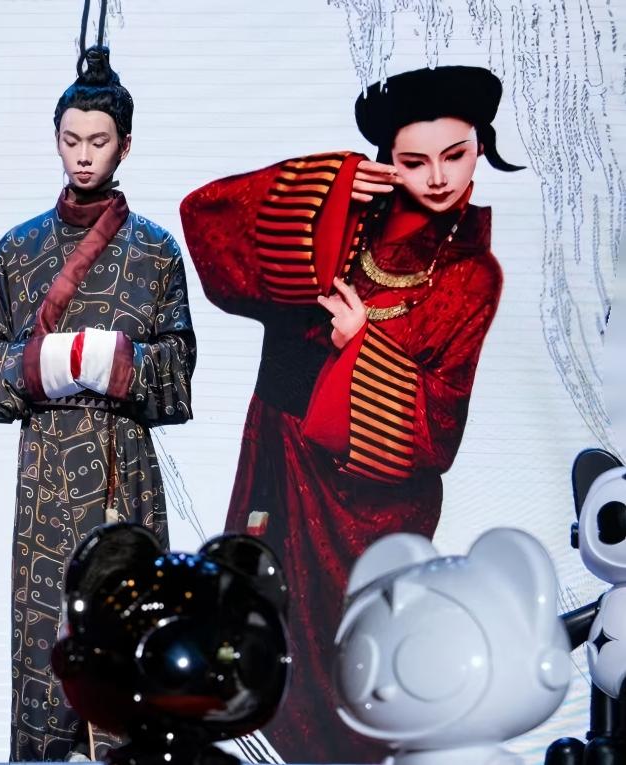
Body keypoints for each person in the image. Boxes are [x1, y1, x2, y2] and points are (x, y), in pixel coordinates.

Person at [178, 65, 521, 763]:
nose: (437, 178)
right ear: (387, 158)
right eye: (413, 161)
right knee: (261, 635)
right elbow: (205, 218)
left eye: (455, 155)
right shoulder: (346, 216)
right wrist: (322, 184)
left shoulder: (472, 273)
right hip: (280, 459)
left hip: (371, 499)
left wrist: (362, 344)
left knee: (361, 662)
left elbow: (440, 425)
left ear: (480, 148)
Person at [0, 43, 196, 761]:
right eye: (72, 140)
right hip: (47, 478)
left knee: (131, 648)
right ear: (56, 140)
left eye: (99, 141)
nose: (84, 155)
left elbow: (179, 370)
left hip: (126, 471)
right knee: (47, 647)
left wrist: (113, 362)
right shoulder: (19, 249)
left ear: (125, 144)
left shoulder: (155, 250)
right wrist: (46, 365)